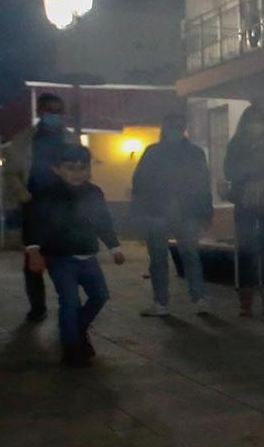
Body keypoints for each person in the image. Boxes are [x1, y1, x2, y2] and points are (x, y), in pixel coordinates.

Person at [23, 143, 124, 367]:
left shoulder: (94, 193)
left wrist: (114, 247)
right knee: (69, 301)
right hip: (59, 257)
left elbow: (103, 221)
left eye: (82, 168)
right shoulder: (47, 194)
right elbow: (33, 223)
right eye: (70, 167)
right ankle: (71, 348)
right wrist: (33, 251)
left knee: (100, 295)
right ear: (56, 169)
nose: (77, 173)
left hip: (87, 254)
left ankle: (77, 330)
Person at [130, 113, 213, 317]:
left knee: (186, 256)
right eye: (172, 126)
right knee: (164, 258)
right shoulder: (158, 152)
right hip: (162, 212)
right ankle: (169, 301)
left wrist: (205, 212)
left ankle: (190, 299)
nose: (175, 130)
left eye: (179, 126)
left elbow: (202, 183)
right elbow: (140, 183)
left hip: (182, 212)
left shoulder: (190, 153)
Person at [12, 93, 76, 325]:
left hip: (64, 207)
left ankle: (68, 305)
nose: (55, 116)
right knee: (33, 260)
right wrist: (23, 195)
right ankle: (37, 307)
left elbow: (82, 169)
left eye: (59, 111)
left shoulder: (71, 140)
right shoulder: (24, 140)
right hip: (35, 205)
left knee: (65, 259)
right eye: (50, 111)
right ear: (39, 112)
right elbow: (11, 173)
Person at [224, 104, 264, 317]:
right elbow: (230, 170)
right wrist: (248, 179)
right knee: (246, 251)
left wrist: (260, 179)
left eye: (258, 121)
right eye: (251, 121)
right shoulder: (235, 145)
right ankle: (246, 303)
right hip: (244, 203)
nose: (255, 126)